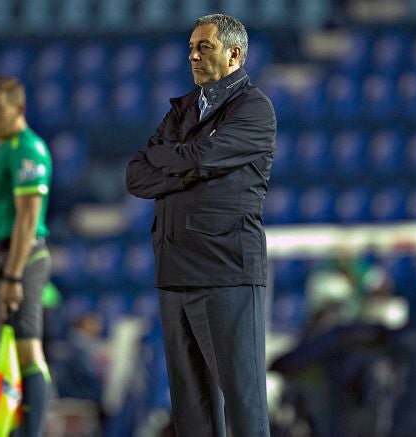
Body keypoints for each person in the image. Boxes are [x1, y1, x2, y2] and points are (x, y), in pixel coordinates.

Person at [125, 13, 276, 436]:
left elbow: (201, 158)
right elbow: (136, 174)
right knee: (191, 410)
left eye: (204, 47)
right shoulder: (185, 109)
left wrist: (181, 162)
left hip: (225, 269)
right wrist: (190, 166)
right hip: (175, 271)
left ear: (235, 54)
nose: (192, 55)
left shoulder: (254, 108)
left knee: (244, 404)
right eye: (191, 47)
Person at [0, 75, 53, 436]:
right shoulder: (2, 151)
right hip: (0, 259)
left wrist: (12, 275)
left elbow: (28, 216)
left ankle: (33, 431)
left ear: (19, 108)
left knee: (27, 349)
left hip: (21, 258)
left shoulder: (28, 149)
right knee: (10, 351)